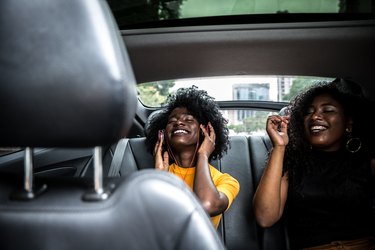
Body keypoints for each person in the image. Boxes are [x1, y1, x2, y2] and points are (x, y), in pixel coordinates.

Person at [253, 79, 375, 249]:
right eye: (308, 112)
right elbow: (265, 217)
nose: (315, 116)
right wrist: (280, 147)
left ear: (349, 122)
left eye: (328, 110)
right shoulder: (292, 163)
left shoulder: (367, 159)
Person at [145, 86, 240, 229]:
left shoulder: (225, 180)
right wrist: (159, 178)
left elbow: (207, 205)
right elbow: (148, 223)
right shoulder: (155, 177)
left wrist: (203, 154)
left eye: (189, 120)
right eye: (172, 121)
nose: (178, 122)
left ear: (205, 131)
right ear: (163, 134)